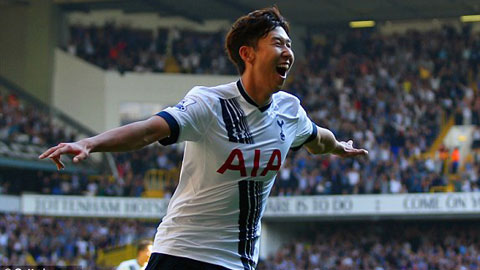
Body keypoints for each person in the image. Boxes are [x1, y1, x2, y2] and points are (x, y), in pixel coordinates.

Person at [39, 6, 367, 270]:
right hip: (184, 254)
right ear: (248, 54)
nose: (287, 52)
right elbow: (149, 130)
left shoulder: (289, 111)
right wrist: (90, 143)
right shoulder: (210, 104)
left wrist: (339, 147)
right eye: (278, 43)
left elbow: (316, 138)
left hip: (238, 262)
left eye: (289, 45)